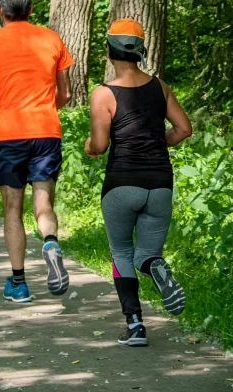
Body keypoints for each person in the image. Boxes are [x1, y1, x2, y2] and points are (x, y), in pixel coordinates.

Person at [85, 18, 193, 347]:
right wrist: (156, 142)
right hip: (159, 183)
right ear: (139, 51)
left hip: (122, 183)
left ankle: (135, 326)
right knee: (145, 253)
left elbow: (100, 145)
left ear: (110, 51)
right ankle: (154, 265)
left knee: (120, 252)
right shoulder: (160, 87)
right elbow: (184, 129)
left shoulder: (103, 93)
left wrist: (89, 147)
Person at [0, 0, 73, 303]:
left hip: (10, 136)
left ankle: (19, 283)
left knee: (12, 209)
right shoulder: (51, 38)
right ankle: (51, 241)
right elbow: (64, 94)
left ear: (0, 10)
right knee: (43, 201)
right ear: (30, 10)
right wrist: (46, 112)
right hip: (46, 133)